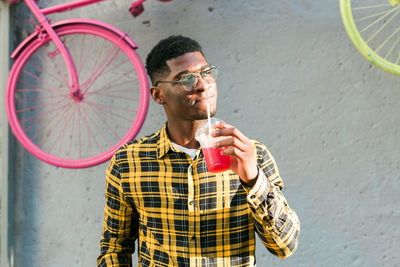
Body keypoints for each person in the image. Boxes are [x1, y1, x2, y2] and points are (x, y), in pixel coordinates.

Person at [97, 35, 300, 266]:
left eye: (206, 73)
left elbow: (285, 246)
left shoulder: (252, 154)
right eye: (186, 79)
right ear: (158, 95)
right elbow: (114, 247)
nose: (203, 85)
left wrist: (253, 179)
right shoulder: (128, 162)